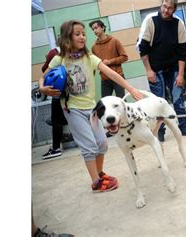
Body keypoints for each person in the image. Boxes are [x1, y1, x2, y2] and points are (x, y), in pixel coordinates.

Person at [39, 20, 143, 192]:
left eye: (83, 34)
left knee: (102, 144)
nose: (82, 36)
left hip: (91, 108)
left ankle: (100, 173)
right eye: (77, 34)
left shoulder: (90, 57)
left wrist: (130, 88)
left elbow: (111, 73)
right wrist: (43, 87)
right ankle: (96, 183)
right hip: (72, 109)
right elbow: (42, 77)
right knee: (89, 146)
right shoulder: (59, 59)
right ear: (67, 38)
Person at [136, 0, 186, 142]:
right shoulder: (150, 20)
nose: (166, 10)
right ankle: (160, 131)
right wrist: (148, 71)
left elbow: (182, 51)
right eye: (164, 6)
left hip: (174, 68)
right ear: (161, 5)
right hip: (155, 70)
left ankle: (184, 126)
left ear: (174, 9)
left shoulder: (178, 24)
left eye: (170, 8)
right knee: (157, 102)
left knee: (178, 99)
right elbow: (143, 48)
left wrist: (181, 74)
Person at [89, 20, 128, 98]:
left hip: (118, 76)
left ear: (102, 27)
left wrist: (110, 61)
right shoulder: (94, 47)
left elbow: (125, 57)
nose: (94, 31)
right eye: (93, 29)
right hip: (105, 78)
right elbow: (94, 63)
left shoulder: (114, 41)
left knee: (121, 100)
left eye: (96, 28)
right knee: (105, 102)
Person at [41, 46, 68, 160]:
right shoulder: (74, 54)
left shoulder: (55, 54)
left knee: (56, 120)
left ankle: (56, 148)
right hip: (70, 92)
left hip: (57, 90)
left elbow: (44, 70)